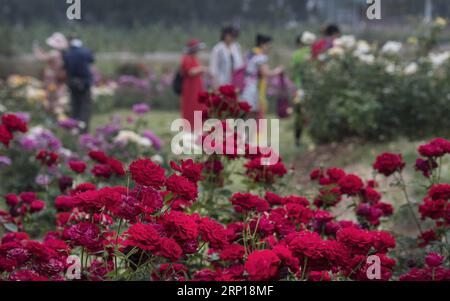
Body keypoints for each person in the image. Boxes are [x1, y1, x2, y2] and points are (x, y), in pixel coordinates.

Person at [241, 34, 284, 122]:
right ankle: (250, 134)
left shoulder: (250, 53)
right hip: (254, 89)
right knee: (253, 114)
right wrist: (278, 70)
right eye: (268, 45)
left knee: (247, 114)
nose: (269, 48)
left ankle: (244, 134)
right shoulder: (260, 56)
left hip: (245, 87)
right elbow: (266, 73)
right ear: (262, 45)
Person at [63, 36, 95, 133]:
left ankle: (74, 127)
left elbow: (65, 67)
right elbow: (92, 60)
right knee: (85, 106)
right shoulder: (86, 51)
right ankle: (83, 128)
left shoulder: (67, 53)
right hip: (85, 83)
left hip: (73, 82)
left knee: (75, 106)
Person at [33, 32, 68, 117]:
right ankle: (60, 113)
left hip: (51, 77)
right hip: (59, 77)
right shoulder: (63, 54)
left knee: (50, 96)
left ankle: (51, 114)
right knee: (59, 95)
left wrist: (36, 48)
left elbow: (41, 57)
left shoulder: (53, 53)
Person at [290, 32, 315, 147]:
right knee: (312, 113)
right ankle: (314, 139)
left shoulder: (296, 55)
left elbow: (292, 74)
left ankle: (297, 141)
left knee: (299, 115)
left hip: (299, 89)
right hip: (314, 88)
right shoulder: (316, 53)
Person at [180, 39, 207, 127]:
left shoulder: (195, 58)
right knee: (190, 106)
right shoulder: (186, 58)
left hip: (197, 87)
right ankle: (190, 126)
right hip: (190, 88)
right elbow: (190, 72)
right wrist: (201, 69)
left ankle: (198, 126)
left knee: (198, 106)